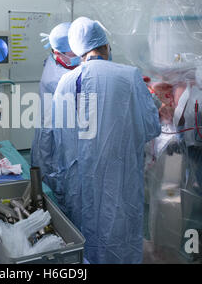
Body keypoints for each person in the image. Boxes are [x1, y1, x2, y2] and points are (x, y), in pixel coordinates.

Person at [51, 17, 161, 263]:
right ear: (105, 45)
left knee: (82, 240)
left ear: (78, 50)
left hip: (77, 182)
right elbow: (151, 127)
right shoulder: (129, 76)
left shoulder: (65, 82)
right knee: (117, 239)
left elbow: (59, 138)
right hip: (117, 181)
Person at [31, 22, 80, 187]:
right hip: (54, 132)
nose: (79, 55)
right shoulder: (57, 77)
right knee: (53, 171)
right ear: (57, 52)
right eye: (74, 51)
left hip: (61, 127)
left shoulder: (55, 60)